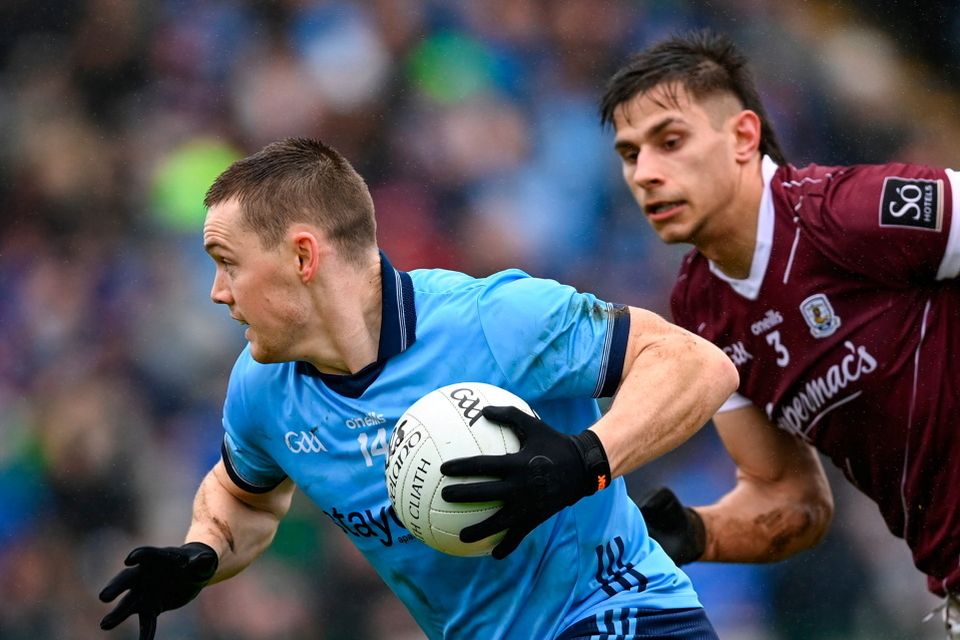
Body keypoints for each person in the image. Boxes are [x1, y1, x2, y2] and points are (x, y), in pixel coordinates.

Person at [98, 137, 738, 640]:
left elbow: (694, 365)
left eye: (228, 262)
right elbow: (245, 499)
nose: (218, 292)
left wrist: (583, 463)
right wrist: (202, 552)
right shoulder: (262, 389)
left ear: (302, 256)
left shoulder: (496, 319)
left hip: (623, 613)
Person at [598, 29, 960, 637]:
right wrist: (695, 531)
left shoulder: (845, 214)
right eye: (632, 155)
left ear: (742, 136)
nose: (647, 174)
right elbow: (791, 498)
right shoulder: (703, 313)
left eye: (670, 141)